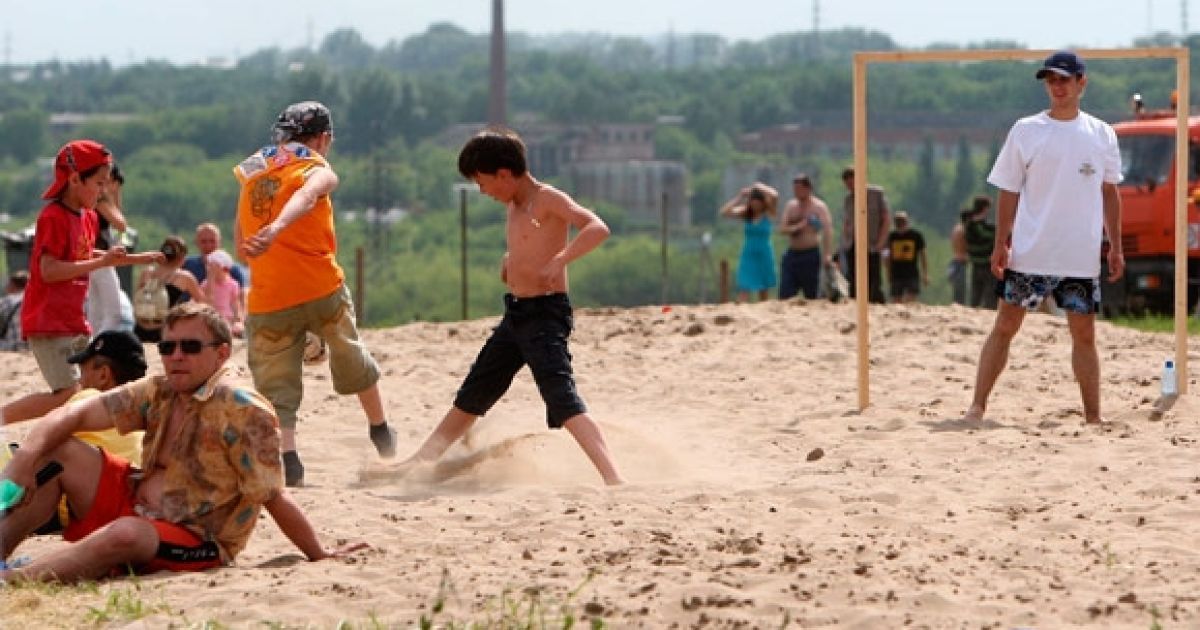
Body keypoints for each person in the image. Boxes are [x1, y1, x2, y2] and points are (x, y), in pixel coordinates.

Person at [0, 303, 365, 583]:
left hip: (196, 538)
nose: (176, 355)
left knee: (126, 534)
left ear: (221, 353)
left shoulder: (244, 409)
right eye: (167, 346)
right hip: (134, 500)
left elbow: (272, 495)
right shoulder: (161, 388)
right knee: (58, 451)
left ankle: (14, 582)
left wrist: (319, 552)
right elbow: (74, 414)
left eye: (190, 346)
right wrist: (25, 459)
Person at [391, 127, 623, 486]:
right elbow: (527, 243)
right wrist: (510, 261)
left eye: (484, 183)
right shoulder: (515, 204)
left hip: (545, 313)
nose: (483, 192)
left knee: (559, 395)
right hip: (516, 312)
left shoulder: (547, 198)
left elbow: (597, 227)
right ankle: (421, 460)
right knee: (476, 390)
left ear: (504, 173)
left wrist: (560, 260)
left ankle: (613, 476)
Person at [234, 100, 395, 487]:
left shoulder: (253, 170)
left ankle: (290, 458)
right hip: (320, 285)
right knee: (351, 353)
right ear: (324, 138)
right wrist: (278, 228)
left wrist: (265, 235)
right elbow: (305, 199)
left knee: (276, 380)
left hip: (270, 295)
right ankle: (381, 430)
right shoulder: (317, 168)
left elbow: (240, 235)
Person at [964, 50, 1123, 425]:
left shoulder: (1101, 134)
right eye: (1051, 80)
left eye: (1064, 79)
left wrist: (1115, 244)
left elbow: (1110, 191)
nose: (1057, 86)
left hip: (1079, 254)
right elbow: (1008, 189)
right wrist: (1001, 242)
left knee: (1084, 334)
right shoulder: (1026, 129)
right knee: (1005, 325)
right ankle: (977, 405)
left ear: (1082, 82)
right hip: (1031, 250)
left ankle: (1093, 416)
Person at [21, 140, 161, 420]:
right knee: (66, 394)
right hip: (47, 323)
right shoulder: (53, 216)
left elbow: (86, 253)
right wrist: (102, 262)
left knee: (85, 390)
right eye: (99, 183)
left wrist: (135, 259)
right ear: (74, 179)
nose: (104, 191)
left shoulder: (89, 218)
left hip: (74, 320)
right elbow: (48, 270)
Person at [2, 329, 147, 468]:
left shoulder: (89, 398)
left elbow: (37, 442)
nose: (80, 381)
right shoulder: (141, 416)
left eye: (83, 372)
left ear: (103, 375)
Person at [84, 163, 135, 333]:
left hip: (94, 258)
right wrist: (114, 194)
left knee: (96, 311)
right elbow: (120, 223)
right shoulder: (99, 201)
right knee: (114, 311)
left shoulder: (93, 199)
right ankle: (99, 343)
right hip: (100, 258)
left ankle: (94, 342)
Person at [133, 236, 204, 343]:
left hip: (139, 329)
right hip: (163, 331)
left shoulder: (147, 272)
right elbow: (203, 304)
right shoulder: (184, 277)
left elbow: (137, 299)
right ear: (182, 257)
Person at [777, 174, 834, 300]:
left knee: (811, 292)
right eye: (795, 189)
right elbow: (782, 229)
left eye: (800, 189)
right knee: (786, 292)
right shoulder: (791, 206)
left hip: (810, 254)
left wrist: (827, 254)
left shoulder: (819, 207)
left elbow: (827, 230)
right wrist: (798, 227)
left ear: (808, 189)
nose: (797, 192)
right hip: (792, 254)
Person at [720, 182, 778, 303]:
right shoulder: (746, 213)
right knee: (744, 285)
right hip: (748, 253)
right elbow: (725, 212)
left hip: (764, 253)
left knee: (763, 289)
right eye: (753, 201)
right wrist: (740, 197)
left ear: (763, 203)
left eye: (758, 202)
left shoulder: (768, 214)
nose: (755, 205)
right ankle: (741, 308)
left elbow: (774, 195)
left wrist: (758, 186)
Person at [840, 166, 890, 304]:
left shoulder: (876, 194)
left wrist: (881, 241)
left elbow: (885, 218)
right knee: (854, 277)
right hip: (853, 243)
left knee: (873, 278)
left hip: (872, 242)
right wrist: (845, 239)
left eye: (852, 182)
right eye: (847, 184)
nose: (850, 186)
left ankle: (876, 303)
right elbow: (847, 221)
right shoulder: (848, 199)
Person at [183, 222, 247, 298]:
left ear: (219, 242)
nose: (208, 245)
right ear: (197, 242)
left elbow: (241, 301)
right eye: (203, 241)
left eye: (212, 241)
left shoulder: (233, 270)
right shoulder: (187, 266)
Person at [885, 210, 928, 303]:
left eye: (902, 221)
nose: (900, 223)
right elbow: (887, 256)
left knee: (911, 299)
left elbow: (923, 255)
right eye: (898, 221)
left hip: (911, 273)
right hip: (896, 273)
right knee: (896, 300)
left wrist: (925, 273)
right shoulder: (891, 237)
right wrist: (888, 272)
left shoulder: (916, 236)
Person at [964, 195, 998, 309]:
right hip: (986, 264)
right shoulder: (981, 227)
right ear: (985, 208)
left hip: (975, 263)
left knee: (975, 296)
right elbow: (989, 236)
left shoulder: (968, 224)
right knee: (990, 296)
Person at [202, 249, 245, 337]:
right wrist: (210, 279)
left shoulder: (233, 284)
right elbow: (205, 301)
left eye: (213, 266)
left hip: (227, 318)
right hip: (210, 318)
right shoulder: (206, 283)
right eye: (208, 265)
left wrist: (239, 320)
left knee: (231, 330)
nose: (209, 269)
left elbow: (235, 303)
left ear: (225, 269)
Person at [0, 270, 28, 351]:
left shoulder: (5, 302)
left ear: (12, 284)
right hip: (31, 347)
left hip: (11, 346)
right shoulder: (35, 301)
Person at [948, 210, 970, 305]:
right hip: (960, 262)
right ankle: (959, 305)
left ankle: (957, 303)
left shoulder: (956, 228)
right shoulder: (963, 230)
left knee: (958, 288)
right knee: (960, 289)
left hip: (955, 260)